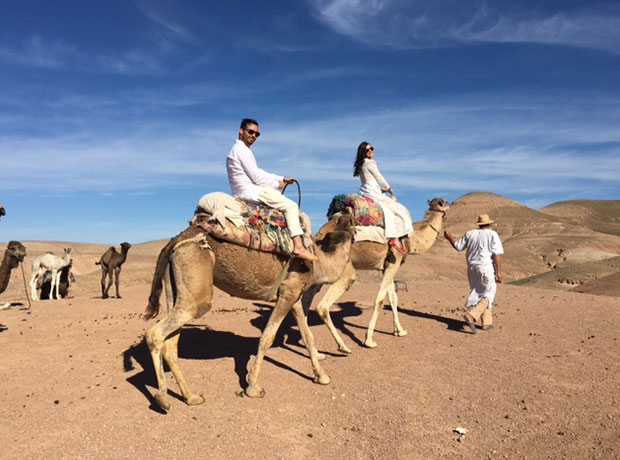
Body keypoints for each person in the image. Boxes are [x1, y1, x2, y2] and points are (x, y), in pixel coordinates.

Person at [226, 118, 317, 261]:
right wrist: (278, 184)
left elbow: (257, 171)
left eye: (257, 134)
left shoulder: (240, 150)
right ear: (241, 131)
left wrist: (281, 178)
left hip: (245, 191)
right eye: (251, 132)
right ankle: (299, 247)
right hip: (251, 192)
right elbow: (256, 177)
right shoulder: (241, 150)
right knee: (291, 206)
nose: (254, 136)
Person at [444, 214, 504, 333]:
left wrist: (449, 237)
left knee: (480, 293)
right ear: (490, 224)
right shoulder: (492, 234)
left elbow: (457, 247)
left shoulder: (470, 233)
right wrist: (499, 272)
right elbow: (497, 254)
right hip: (485, 267)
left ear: (479, 224)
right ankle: (471, 316)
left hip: (471, 268)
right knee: (488, 293)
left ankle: (486, 323)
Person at [353, 142, 413, 253]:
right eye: (367, 150)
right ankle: (394, 238)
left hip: (367, 191)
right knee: (397, 210)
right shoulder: (370, 163)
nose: (370, 150)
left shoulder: (361, 164)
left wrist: (382, 190)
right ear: (363, 152)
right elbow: (379, 177)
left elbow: (369, 182)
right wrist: (388, 187)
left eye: (372, 148)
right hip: (373, 193)